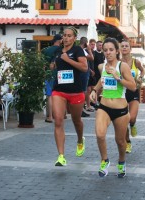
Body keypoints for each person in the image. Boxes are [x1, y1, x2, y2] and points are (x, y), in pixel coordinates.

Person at [90, 37, 136, 178]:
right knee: (99, 134)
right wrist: (94, 90)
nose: (108, 53)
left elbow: (133, 86)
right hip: (104, 106)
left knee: (120, 141)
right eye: (105, 50)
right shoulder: (101, 66)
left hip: (121, 110)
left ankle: (121, 162)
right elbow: (102, 80)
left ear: (117, 51)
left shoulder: (123, 66)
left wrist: (118, 77)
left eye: (111, 50)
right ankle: (105, 160)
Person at [51, 26, 88, 166]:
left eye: (69, 35)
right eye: (64, 35)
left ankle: (80, 140)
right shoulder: (57, 50)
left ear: (74, 38)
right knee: (59, 120)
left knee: (76, 120)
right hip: (59, 90)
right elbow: (54, 64)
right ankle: (61, 156)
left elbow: (84, 68)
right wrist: (52, 66)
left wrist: (68, 60)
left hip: (75, 92)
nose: (66, 38)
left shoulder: (77, 50)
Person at [120, 39, 144, 153]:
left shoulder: (136, 62)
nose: (124, 48)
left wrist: (140, 78)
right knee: (124, 120)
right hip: (121, 93)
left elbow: (142, 71)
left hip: (133, 91)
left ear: (130, 49)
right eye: (122, 46)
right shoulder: (117, 62)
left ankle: (133, 125)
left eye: (126, 46)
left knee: (132, 118)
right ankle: (127, 142)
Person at [42, 34, 62, 123]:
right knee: (59, 95)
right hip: (59, 74)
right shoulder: (61, 50)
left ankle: (49, 116)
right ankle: (60, 114)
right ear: (59, 40)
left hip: (48, 74)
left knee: (49, 95)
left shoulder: (46, 50)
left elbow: (42, 64)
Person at [79, 36, 94, 117]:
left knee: (82, 90)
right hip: (83, 73)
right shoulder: (82, 50)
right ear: (85, 43)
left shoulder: (77, 49)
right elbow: (92, 58)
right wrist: (89, 49)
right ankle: (81, 110)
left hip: (82, 72)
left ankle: (81, 109)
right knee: (83, 91)